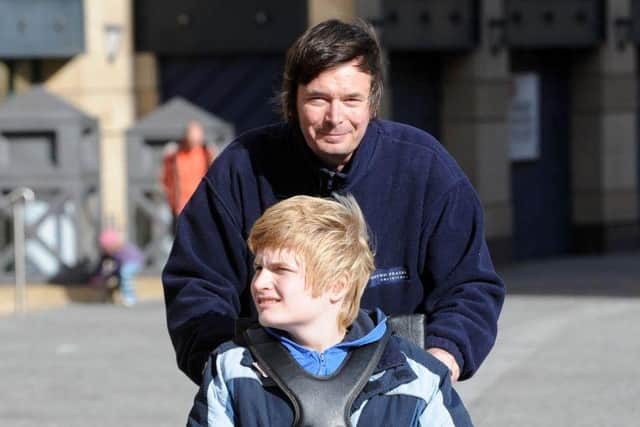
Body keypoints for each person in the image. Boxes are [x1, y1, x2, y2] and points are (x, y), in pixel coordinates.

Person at [163, 19, 505, 385]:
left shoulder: (425, 169)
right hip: (267, 390)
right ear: (292, 99)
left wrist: (440, 360)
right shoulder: (242, 169)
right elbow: (196, 288)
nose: (334, 118)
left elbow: (470, 287)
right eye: (318, 99)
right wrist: (226, 368)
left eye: (351, 100)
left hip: (399, 391)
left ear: (373, 101)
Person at [186, 195, 473, 426]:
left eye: (280, 270)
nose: (260, 283)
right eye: (259, 268)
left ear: (337, 285)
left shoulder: (416, 376)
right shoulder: (232, 367)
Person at [160, 120, 216, 232]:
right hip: (179, 208)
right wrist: (170, 199)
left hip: (202, 206)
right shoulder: (174, 155)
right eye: (192, 140)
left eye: (197, 140)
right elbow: (165, 179)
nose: (194, 143)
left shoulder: (206, 153)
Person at [92, 228, 144, 307]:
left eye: (106, 249)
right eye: (104, 249)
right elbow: (102, 264)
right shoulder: (110, 253)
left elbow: (130, 260)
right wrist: (98, 276)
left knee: (125, 273)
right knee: (114, 272)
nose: (105, 251)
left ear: (112, 245)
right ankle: (110, 294)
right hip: (124, 264)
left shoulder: (123, 249)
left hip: (134, 262)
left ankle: (130, 296)